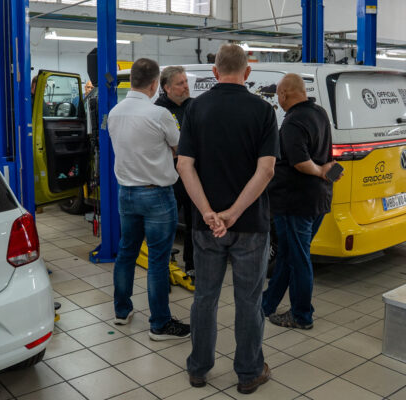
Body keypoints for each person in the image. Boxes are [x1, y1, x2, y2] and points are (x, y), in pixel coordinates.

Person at [177, 44, 279, 394]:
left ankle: (198, 369)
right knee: (248, 301)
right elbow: (266, 171)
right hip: (250, 225)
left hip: (206, 226)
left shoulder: (195, 108)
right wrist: (234, 213)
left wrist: (208, 212)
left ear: (215, 71)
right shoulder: (263, 111)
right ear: (247, 72)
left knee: (205, 298)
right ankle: (249, 373)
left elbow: (184, 165)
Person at [107, 58, 190, 341]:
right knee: (158, 259)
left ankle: (122, 311)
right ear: (155, 84)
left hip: (126, 193)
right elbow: (179, 148)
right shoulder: (159, 115)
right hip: (156, 195)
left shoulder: (115, 113)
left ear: (132, 80)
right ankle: (160, 324)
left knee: (126, 252)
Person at [262, 73, 337, 330]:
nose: (278, 100)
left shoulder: (293, 121)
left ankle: (302, 315)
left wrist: (320, 171)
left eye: (278, 95)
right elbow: (327, 155)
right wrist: (328, 172)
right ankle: (267, 304)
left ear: (284, 94)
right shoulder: (320, 113)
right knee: (288, 254)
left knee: (299, 258)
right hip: (318, 199)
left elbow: (300, 162)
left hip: (296, 202)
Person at [154, 66, 195, 278]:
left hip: (193, 175)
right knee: (167, 224)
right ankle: (165, 265)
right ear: (167, 88)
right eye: (180, 83)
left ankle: (191, 264)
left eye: (186, 81)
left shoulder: (194, 106)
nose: (186, 86)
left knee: (194, 222)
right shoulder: (158, 110)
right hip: (169, 178)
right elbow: (159, 147)